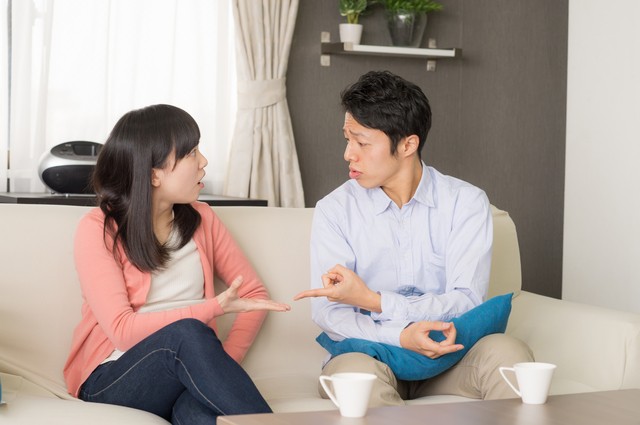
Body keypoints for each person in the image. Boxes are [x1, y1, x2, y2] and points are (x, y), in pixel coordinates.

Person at [294, 71, 533, 405]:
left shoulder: (465, 203)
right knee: (356, 379)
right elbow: (330, 314)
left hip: (448, 357)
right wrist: (401, 335)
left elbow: (466, 299)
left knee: (510, 354)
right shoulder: (335, 210)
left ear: (407, 144)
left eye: (362, 143)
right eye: (347, 139)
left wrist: (377, 302)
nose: (349, 154)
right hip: (368, 354)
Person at [63, 104, 291, 424]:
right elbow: (122, 332)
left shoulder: (202, 219)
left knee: (198, 413)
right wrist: (212, 308)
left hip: (181, 375)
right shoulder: (99, 228)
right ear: (153, 174)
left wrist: (218, 365)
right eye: (191, 153)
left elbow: (253, 294)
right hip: (113, 377)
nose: (204, 161)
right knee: (186, 335)